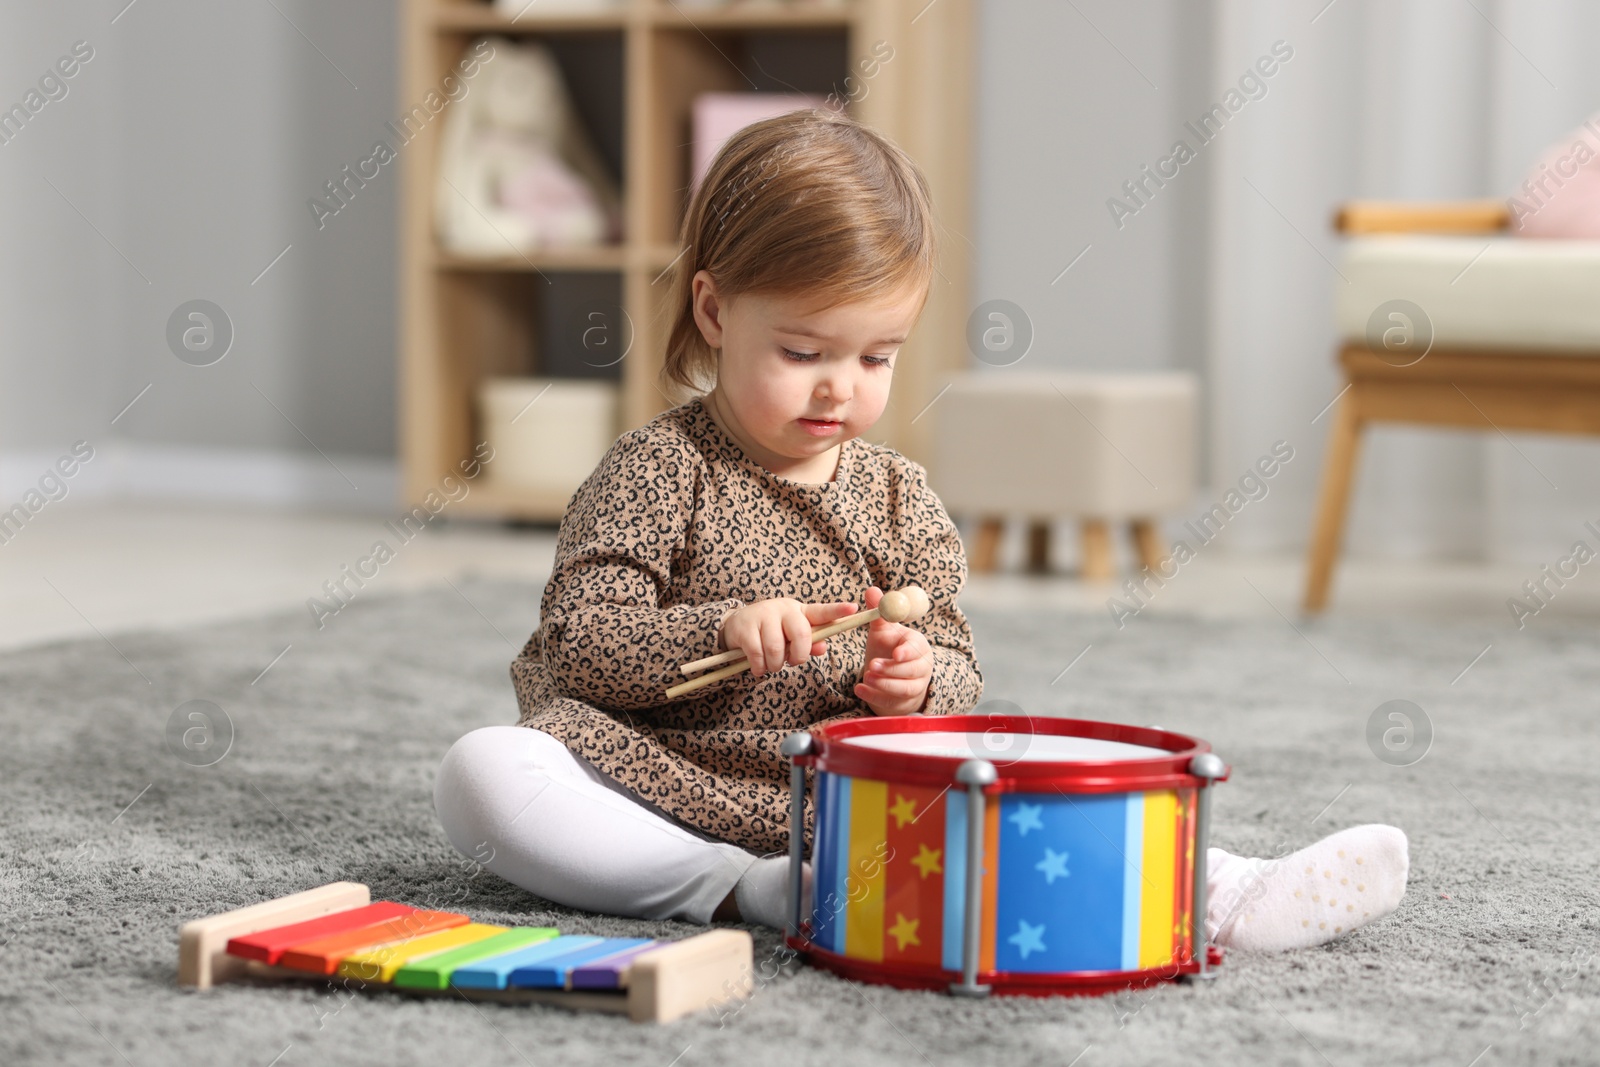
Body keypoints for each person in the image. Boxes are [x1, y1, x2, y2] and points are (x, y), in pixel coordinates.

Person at [432, 109, 1408, 953]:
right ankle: (741, 886)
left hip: (849, 793)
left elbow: (957, 665)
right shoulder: (655, 470)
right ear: (715, 308)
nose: (838, 385)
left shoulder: (900, 496)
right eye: (804, 350)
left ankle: (1223, 884)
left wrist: (914, 678)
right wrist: (721, 628)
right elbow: (580, 640)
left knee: (1012, 749)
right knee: (486, 769)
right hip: (655, 779)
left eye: (875, 355)